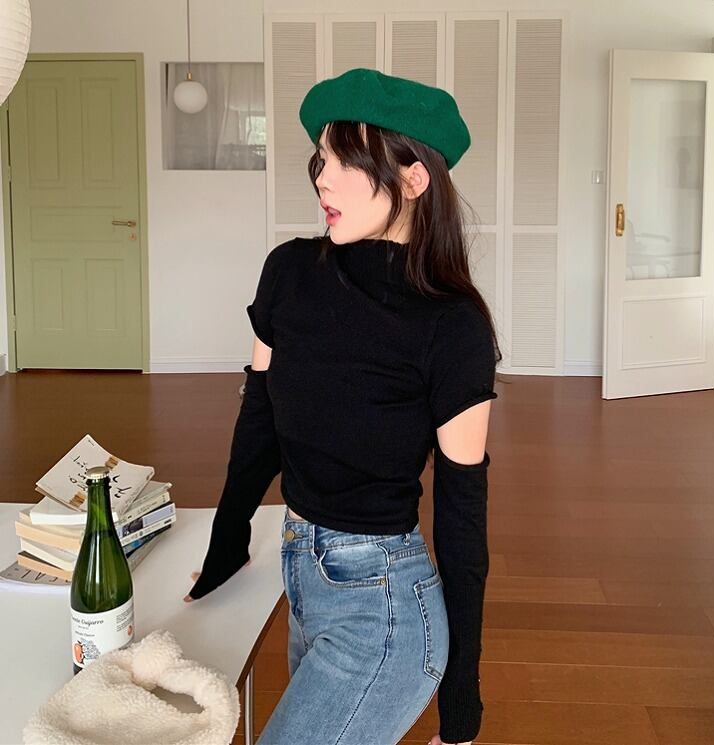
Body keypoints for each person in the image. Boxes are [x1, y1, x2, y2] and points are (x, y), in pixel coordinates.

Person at [183, 67, 502, 745]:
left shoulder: (454, 326)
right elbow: (259, 424)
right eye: (319, 159)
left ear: (414, 179)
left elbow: (462, 517)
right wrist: (225, 548)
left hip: (385, 611)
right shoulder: (289, 271)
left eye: (344, 161)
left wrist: (461, 708)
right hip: (301, 578)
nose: (321, 179)